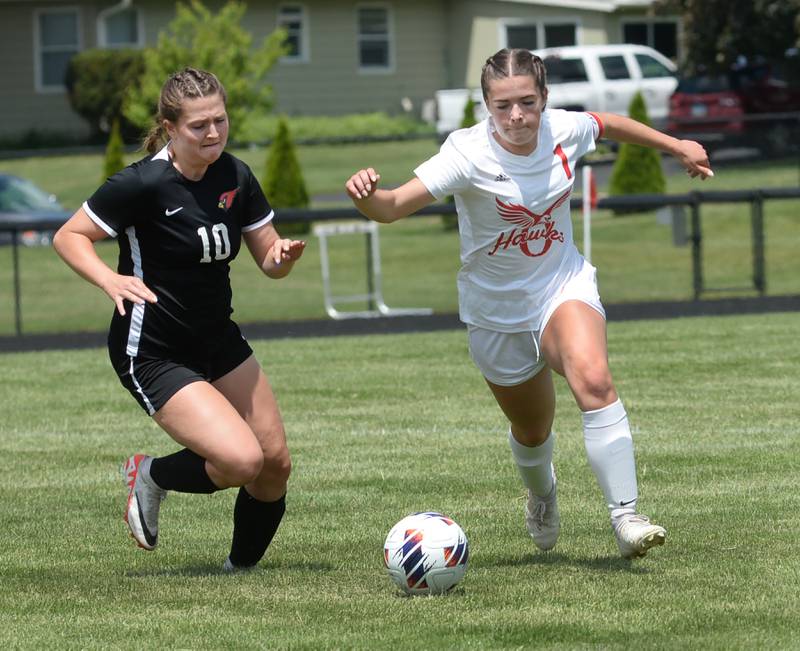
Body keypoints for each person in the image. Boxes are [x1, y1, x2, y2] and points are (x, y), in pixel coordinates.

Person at [345, 48, 714, 559]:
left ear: (543, 99)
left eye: (527, 102)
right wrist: (366, 195)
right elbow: (389, 208)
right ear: (486, 105)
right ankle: (542, 494)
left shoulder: (563, 130)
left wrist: (676, 145)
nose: (516, 116)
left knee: (593, 378)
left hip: (561, 287)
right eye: (502, 106)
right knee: (532, 429)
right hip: (495, 312)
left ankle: (626, 515)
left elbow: (605, 123)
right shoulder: (464, 153)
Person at [53, 67, 306, 571]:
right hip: (154, 349)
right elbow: (69, 236)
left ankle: (241, 574)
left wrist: (282, 257)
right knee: (240, 461)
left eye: (220, 120)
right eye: (198, 125)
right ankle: (149, 476)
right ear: (170, 127)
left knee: (274, 464)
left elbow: (268, 261)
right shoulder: (142, 182)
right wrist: (110, 279)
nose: (213, 133)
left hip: (217, 338)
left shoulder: (236, 175)